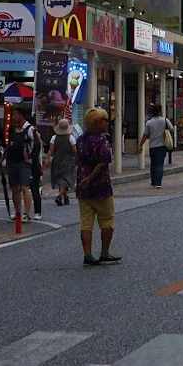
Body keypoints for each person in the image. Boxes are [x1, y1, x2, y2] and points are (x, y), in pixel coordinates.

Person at [74, 107, 119, 266]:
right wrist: (90, 178)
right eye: (105, 120)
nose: (107, 123)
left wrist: (84, 179)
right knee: (107, 219)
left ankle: (87, 254)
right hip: (100, 186)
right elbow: (103, 163)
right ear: (98, 122)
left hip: (82, 185)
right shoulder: (102, 140)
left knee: (86, 222)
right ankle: (104, 252)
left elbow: (77, 158)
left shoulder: (80, 140)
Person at [5, 104, 39, 223]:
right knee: (14, 188)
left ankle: (27, 213)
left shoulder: (29, 129)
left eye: (15, 115)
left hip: (24, 162)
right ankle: (18, 212)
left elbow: (37, 144)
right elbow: (8, 146)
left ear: (21, 115)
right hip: (12, 161)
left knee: (25, 187)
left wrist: (31, 159)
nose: (13, 117)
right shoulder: (12, 130)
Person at [143, 101, 173, 189]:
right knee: (160, 164)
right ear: (160, 111)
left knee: (153, 164)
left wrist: (141, 145)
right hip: (161, 146)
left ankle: (153, 181)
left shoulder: (149, 122)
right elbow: (171, 129)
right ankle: (158, 182)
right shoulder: (164, 120)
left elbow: (145, 135)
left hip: (152, 146)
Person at [48, 116, 77, 206]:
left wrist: (47, 158)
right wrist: (77, 158)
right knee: (66, 179)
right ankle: (60, 196)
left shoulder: (54, 138)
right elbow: (74, 150)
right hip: (68, 161)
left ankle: (66, 197)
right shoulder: (71, 138)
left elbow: (51, 150)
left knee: (61, 179)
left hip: (57, 160)